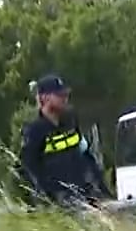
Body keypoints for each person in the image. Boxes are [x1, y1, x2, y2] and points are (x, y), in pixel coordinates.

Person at [19, 73, 110, 207]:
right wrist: (47, 200)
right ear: (44, 98)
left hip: (84, 195)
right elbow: (29, 171)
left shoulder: (70, 121)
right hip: (58, 204)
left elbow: (86, 155)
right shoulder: (35, 131)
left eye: (65, 95)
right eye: (59, 95)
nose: (64, 98)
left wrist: (102, 189)